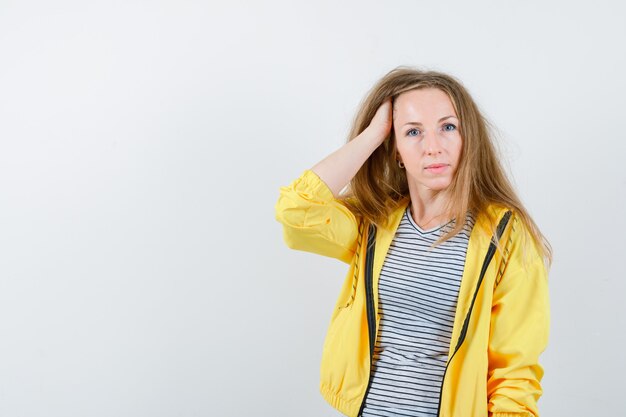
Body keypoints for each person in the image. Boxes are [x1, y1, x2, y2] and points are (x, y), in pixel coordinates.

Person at [274, 67, 551, 417]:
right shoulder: (374, 224)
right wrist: (373, 135)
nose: (433, 147)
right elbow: (296, 211)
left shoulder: (505, 234)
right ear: (396, 152)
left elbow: (516, 369)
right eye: (413, 132)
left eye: (448, 127)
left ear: (470, 138)